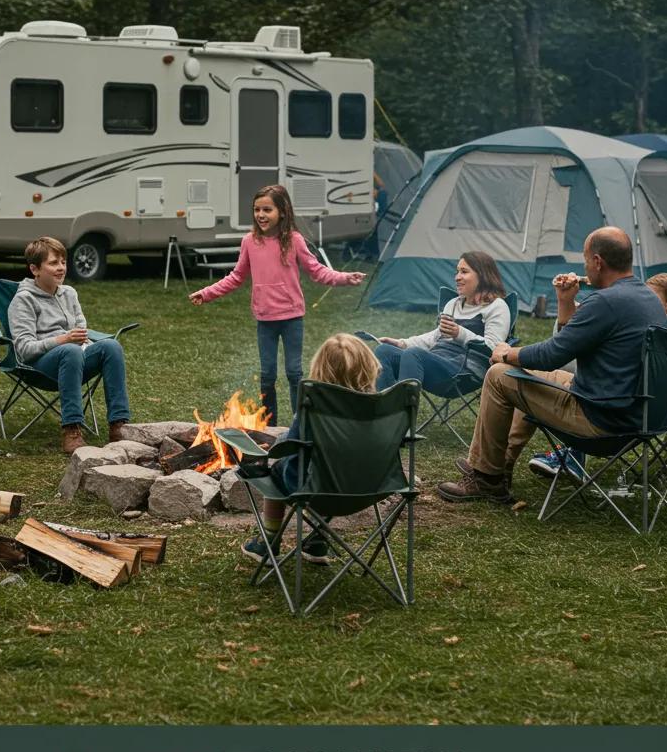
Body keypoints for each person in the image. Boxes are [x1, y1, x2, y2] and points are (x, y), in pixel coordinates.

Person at [436, 227, 667, 502]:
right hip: (638, 411)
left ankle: (487, 478)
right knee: (523, 374)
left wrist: (506, 353)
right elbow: (573, 338)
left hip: (601, 419)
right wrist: (565, 300)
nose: (584, 266)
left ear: (597, 262)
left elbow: (552, 355)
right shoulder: (646, 297)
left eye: (585, 259)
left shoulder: (605, 302)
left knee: (499, 374)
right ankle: (498, 464)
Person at [189, 184, 365, 425]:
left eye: (267, 210)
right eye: (257, 210)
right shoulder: (249, 241)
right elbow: (236, 277)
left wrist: (344, 278)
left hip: (292, 319)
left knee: (294, 373)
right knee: (267, 376)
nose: (261, 215)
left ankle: (299, 422)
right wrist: (207, 293)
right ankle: (269, 426)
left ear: (282, 212)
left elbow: (317, 271)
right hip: (265, 320)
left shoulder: (294, 240)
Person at [526, 269, 667, 481]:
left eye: (651, 296)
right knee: (562, 370)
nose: (644, 301)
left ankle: (571, 455)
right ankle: (569, 454)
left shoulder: (663, 331)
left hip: (624, 407)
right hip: (648, 406)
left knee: (546, 375)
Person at [240, 333, 380, 565]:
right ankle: (317, 541)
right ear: (368, 366)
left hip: (312, 489)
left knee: (278, 472)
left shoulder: (313, 405)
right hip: (369, 486)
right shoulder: (379, 406)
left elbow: (289, 444)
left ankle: (268, 543)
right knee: (332, 469)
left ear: (320, 368)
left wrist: (275, 447)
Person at [7, 237, 131, 453]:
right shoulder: (23, 300)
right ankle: (71, 429)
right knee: (70, 350)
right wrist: (63, 340)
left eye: (63, 262)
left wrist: (82, 342)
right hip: (39, 365)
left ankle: (119, 425)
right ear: (35, 269)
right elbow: (24, 350)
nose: (61, 268)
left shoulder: (69, 293)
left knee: (111, 347)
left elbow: (81, 329)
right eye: (53, 263)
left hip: (75, 359)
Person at [373, 251, 510, 394]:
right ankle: (385, 404)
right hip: (438, 362)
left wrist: (460, 333)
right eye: (457, 272)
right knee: (384, 351)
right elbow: (436, 336)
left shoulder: (497, 307)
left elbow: (495, 349)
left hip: (464, 372)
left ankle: (403, 406)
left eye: (464, 272)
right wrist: (402, 343)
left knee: (414, 354)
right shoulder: (453, 304)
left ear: (482, 276)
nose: (457, 277)